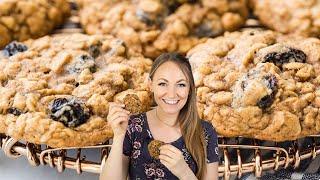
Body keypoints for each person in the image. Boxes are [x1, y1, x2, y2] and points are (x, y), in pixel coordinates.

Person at [100, 52, 219, 180]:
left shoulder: (205, 132)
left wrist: (185, 173)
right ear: (151, 85)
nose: (172, 94)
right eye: (163, 84)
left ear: (190, 88)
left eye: (181, 84)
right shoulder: (133, 126)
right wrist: (118, 136)